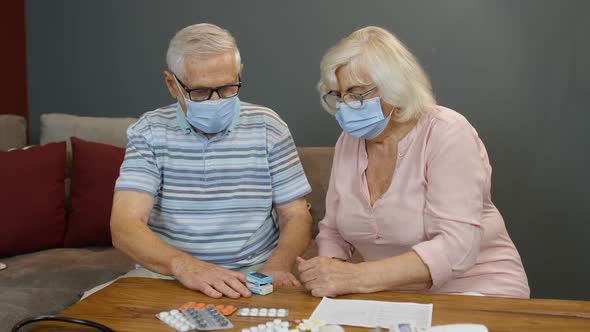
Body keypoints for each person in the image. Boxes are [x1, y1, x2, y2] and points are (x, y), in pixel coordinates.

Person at [296, 26, 530, 298]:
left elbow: (457, 247)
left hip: (478, 290)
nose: (345, 106)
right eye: (339, 95)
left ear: (395, 87)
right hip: (392, 297)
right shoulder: (348, 143)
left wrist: (356, 277)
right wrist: (331, 271)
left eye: (357, 94)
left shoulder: (447, 131)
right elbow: (333, 230)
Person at [109, 23, 312, 299]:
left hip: (256, 271)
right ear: (172, 84)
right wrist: (185, 266)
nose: (216, 101)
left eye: (228, 88)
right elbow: (124, 225)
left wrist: (277, 265)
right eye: (202, 92)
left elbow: (297, 215)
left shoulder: (269, 127)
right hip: (168, 273)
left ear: (239, 74)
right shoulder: (149, 132)